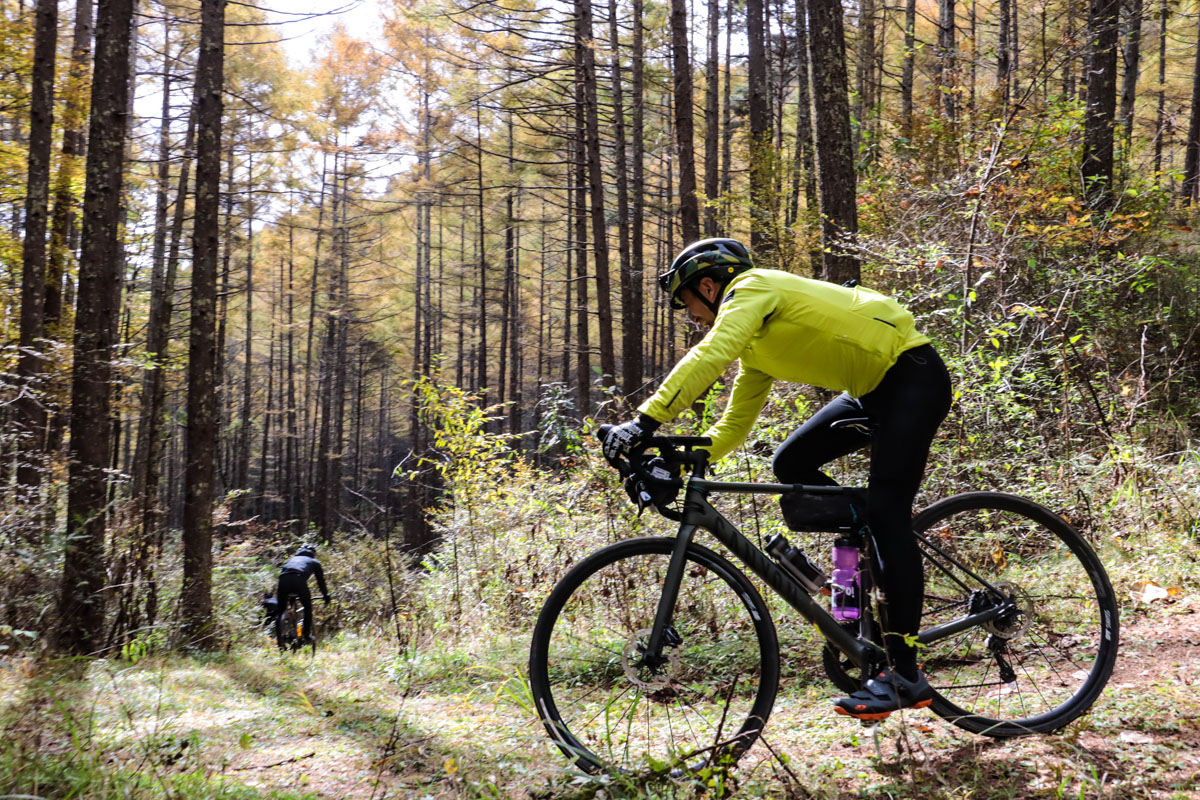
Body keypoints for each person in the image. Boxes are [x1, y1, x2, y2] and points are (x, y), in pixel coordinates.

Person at [599, 238, 952, 721]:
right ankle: (859, 581)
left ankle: (905, 675)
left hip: (913, 377)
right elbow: (731, 428)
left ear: (709, 285)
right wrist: (677, 461)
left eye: (688, 303)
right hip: (872, 391)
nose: (691, 315)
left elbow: (711, 353)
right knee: (791, 466)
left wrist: (644, 422)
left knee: (889, 512)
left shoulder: (753, 286)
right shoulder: (757, 348)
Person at [274, 544, 330, 643]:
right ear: (313, 553)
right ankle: (306, 635)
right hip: (299, 579)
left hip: (283, 580)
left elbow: (285, 573)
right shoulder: (314, 562)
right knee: (307, 607)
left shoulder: (291, 560)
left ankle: (280, 638)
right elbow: (320, 581)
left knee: (281, 610)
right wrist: (325, 595)